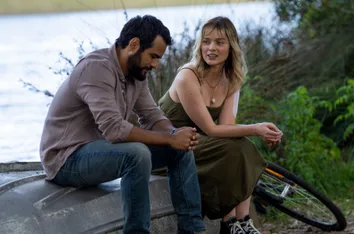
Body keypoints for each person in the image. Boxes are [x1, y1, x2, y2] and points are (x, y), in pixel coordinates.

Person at [39, 15, 206, 234]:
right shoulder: (96, 69)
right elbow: (115, 130)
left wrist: (176, 134)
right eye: (153, 57)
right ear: (134, 44)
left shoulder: (137, 74)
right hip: (66, 159)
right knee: (137, 154)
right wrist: (170, 138)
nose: (155, 65)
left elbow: (152, 116)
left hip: (102, 153)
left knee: (180, 151)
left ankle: (193, 230)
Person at [152, 17, 283, 234]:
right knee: (239, 146)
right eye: (206, 41)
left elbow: (226, 127)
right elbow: (212, 130)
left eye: (219, 43)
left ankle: (242, 222)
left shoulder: (231, 78)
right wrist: (256, 128)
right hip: (166, 147)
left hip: (195, 142)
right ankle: (230, 223)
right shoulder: (188, 76)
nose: (211, 48)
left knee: (239, 145)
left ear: (231, 47)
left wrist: (256, 131)